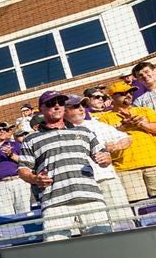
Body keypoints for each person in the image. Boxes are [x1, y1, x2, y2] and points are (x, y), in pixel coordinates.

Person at [17, 90, 113, 242]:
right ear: (41, 108)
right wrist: (35, 179)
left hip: (89, 196)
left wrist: (105, 158)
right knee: (56, 249)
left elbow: (104, 157)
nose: (56, 106)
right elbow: (23, 170)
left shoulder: (84, 131)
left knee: (105, 242)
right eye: (50, 104)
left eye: (60, 103)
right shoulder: (31, 139)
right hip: (54, 202)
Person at [94, 81, 156, 202]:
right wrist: (121, 129)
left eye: (130, 92)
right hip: (125, 169)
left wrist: (141, 123)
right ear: (111, 97)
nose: (128, 95)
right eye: (122, 93)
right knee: (138, 207)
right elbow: (104, 144)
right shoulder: (104, 119)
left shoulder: (145, 111)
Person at [77, 90, 136, 228]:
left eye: (82, 105)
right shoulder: (59, 132)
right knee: (96, 227)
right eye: (75, 106)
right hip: (83, 185)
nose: (80, 109)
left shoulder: (94, 125)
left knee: (123, 222)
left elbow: (127, 138)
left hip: (107, 179)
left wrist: (113, 147)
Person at [0, 122, 32, 217]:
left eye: (4, 129)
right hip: (0, 185)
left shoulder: (16, 145)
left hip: (19, 181)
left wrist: (11, 154)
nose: (2, 131)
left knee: (25, 214)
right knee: (6, 216)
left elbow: (28, 163)